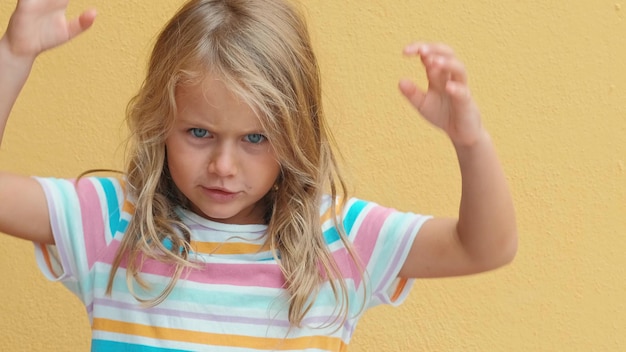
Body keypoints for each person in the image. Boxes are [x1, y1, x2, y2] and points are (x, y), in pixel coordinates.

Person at [0, 0, 517, 351]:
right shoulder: (113, 222)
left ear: (298, 134)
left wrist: (470, 143)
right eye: (199, 133)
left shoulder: (338, 240)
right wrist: (14, 55)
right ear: (161, 122)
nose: (224, 167)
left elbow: (485, 248)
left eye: (255, 139)